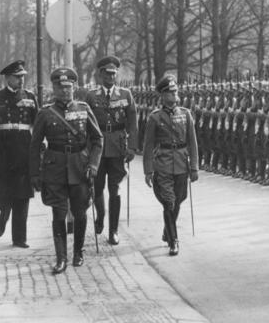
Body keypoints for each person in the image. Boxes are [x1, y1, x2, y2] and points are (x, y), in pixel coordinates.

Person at [29, 67, 102, 274]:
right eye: (60, 88)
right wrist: (35, 174)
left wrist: (94, 164)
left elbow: (97, 140)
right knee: (58, 213)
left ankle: (78, 252)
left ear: (74, 87)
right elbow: (34, 145)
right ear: (53, 88)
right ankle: (61, 257)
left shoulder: (84, 109)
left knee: (80, 213)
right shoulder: (45, 113)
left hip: (80, 167)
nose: (65, 91)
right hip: (55, 169)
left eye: (68, 87)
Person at [0, 60, 38, 248]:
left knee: (22, 195)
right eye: (17, 77)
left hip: (24, 148)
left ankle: (19, 238)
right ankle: (4, 212)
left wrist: (40, 149)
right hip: (3, 148)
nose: (21, 80)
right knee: (3, 192)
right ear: (7, 78)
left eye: (23, 77)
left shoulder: (30, 96)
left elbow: (37, 126)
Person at [82, 56, 137, 246]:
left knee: (115, 189)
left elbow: (133, 123)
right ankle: (101, 216)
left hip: (117, 148)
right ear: (100, 74)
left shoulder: (125, 95)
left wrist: (132, 147)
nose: (110, 77)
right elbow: (85, 125)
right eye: (107, 73)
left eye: (113, 74)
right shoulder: (91, 96)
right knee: (97, 188)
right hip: (97, 149)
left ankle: (113, 231)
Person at [142, 76, 199, 256]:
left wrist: (195, 166)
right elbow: (148, 145)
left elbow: (192, 142)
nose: (175, 95)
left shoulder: (186, 114)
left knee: (179, 199)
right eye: (171, 92)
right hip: (163, 163)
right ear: (163, 95)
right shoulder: (155, 117)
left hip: (182, 163)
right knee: (168, 202)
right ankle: (174, 241)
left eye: (176, 91)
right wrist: (148, 170)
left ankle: (168, 230)